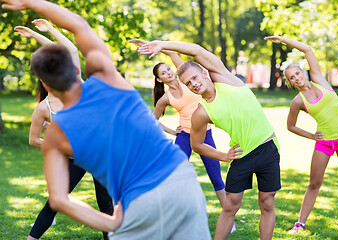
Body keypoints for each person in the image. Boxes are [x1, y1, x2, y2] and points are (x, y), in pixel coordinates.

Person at [1, 1, 211, 239]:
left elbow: (59, 200)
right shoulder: (108, 79)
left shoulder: (56, 134)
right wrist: (32, 3)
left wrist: (112, 223)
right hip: (181, 179)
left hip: (138, 200)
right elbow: (79, 25)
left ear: (45, 84)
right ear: (77, 71)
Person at [138, 40, 281, 240]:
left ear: (204, 73)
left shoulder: (224, 78)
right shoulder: (201, 112)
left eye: (195, 78)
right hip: (242, 155)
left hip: (268, 148)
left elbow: (196, 50)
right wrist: (223, 155)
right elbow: (196, 144)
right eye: (188, 83)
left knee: (267, 202)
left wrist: (161, 44)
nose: (194, 84)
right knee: (230, 206)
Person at [15, 19, 114, 240]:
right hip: (73, 158)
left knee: (106, 204)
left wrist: (44, 31)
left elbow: (69, 49)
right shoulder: (43, 108)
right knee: (54, 201)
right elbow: (33, 140)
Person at [264, 36, 338, 235]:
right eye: (292, 77)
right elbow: (290, 126)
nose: (296, 78)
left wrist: (283, 40)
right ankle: (300, 223)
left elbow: (307, 50)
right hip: (324, 143)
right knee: (314, 184)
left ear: (303, 72)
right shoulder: (297, 102)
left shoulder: (320, 80)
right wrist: (311, 136)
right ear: (290, 82)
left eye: (297, 73)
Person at [129, 39, 228, 213]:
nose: (169, 72)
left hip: (205, 135)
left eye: (168, 69)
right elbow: (153, 121)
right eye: (164, 73)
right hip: (184, 137)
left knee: (216, 178)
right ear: (160, 79)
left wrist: (151, 44)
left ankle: (229, 217)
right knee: (176, 177)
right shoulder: (165, 98)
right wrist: (171, 131)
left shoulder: (186, 80)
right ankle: (175, 214)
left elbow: (173, 53)